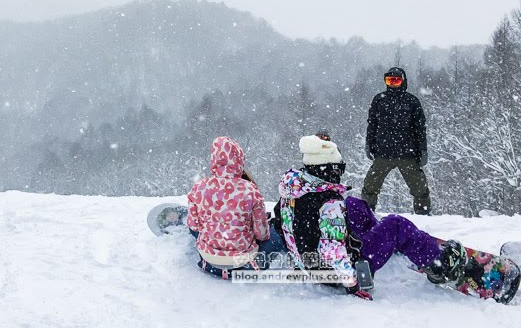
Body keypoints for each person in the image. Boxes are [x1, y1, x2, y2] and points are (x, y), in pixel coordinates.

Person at [276, 133, 465, 300]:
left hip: (312, 265)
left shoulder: (293, 190)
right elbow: (331, 252)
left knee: (352, 205)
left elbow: (279, 223)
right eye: (338, 168)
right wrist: (353, 284)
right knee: (396, 224)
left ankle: (383, 237)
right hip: (341, 272)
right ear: (330, 169)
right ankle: (438, 265)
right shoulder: (330, 205)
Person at [186, 136, 285, 277]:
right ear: (239, 160)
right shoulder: (250, 189)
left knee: (199, 230)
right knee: (276, 235)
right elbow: (262, 234)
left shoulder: (199, 187)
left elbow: (194, 226)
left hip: (209, 262)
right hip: (243, 263)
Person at [363, 67, 431, 214]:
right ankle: (366, 213)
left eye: (397, 80)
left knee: (420, 187)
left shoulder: (412, 101)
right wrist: (369, 144)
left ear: (403, 81)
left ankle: (423, 214)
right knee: (370, 185)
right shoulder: (379, 100)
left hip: (408, 154)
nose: (393, 83)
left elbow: (420, 128)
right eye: (390, 80)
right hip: (383, 153)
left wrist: (423, 150)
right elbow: (372, 124)